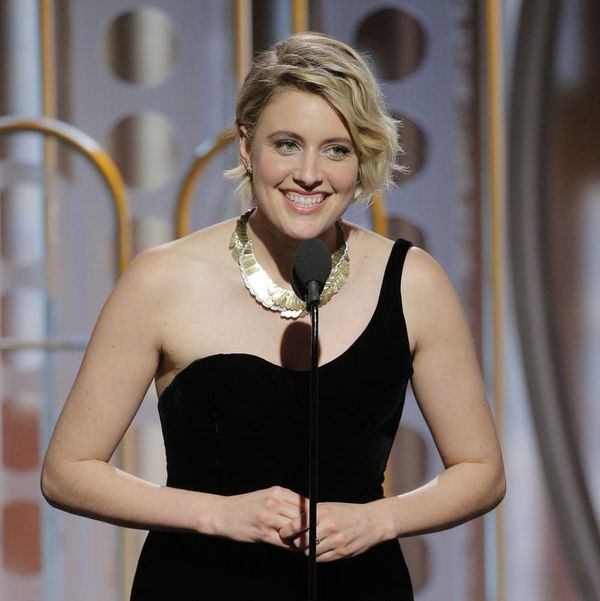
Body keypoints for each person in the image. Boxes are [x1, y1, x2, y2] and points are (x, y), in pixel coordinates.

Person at [41, 32, 505, 600]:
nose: (309, 173)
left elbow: (481, 470)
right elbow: (67, 470)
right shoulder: (162, 280)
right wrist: (216, 514)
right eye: (287, 144)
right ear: (246, 146)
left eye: (336, 149)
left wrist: (378, 520)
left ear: (363, 157)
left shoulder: (413, 282)